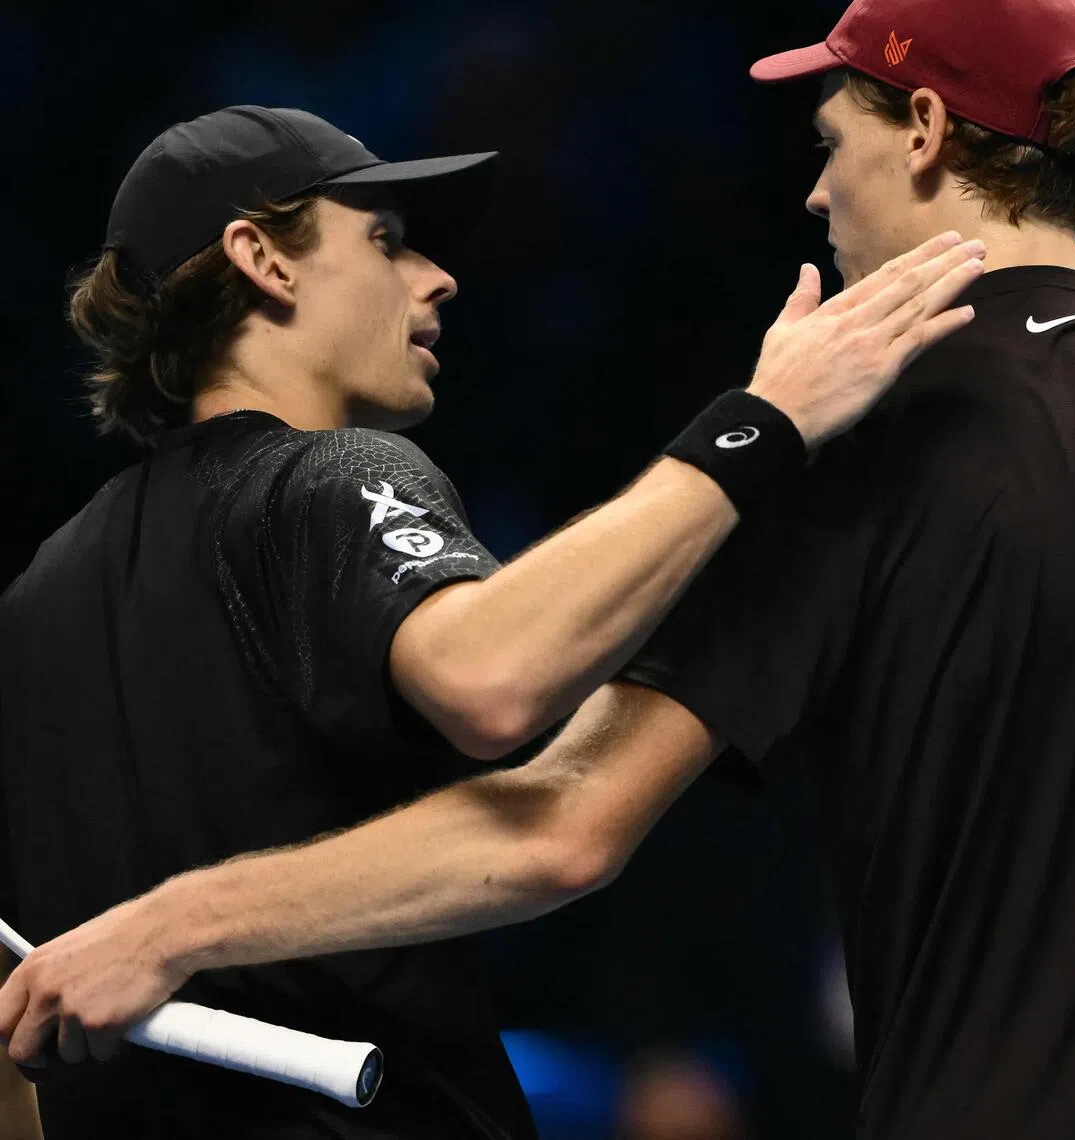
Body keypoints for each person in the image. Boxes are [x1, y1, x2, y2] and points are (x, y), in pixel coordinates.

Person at [0, 103, 977, 1139]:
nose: (436, 277)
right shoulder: (326, 475)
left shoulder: (34, 598)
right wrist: (763, 421)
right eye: (385, 239)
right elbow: (493, 682)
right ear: (263, 261)